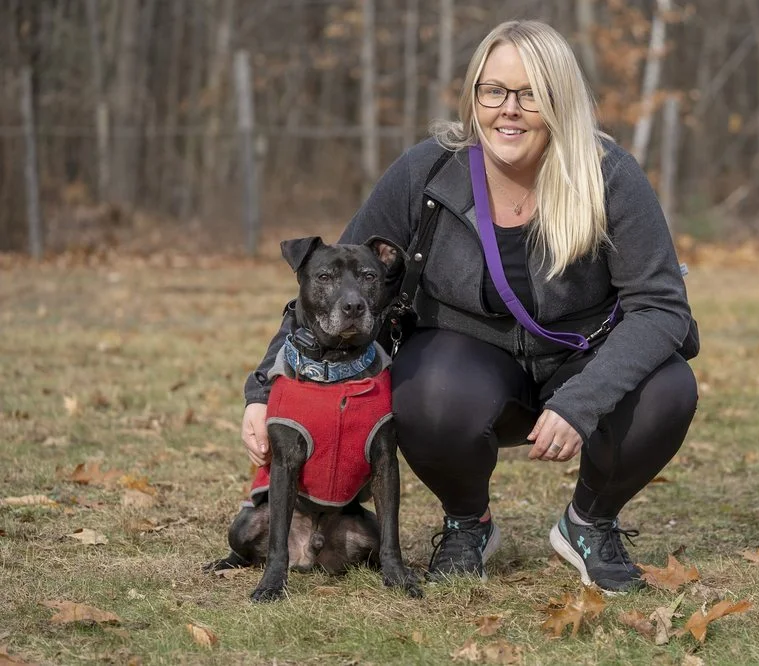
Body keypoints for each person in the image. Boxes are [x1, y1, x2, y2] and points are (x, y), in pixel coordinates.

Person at [241, 20, 698, 593]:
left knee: (668, 389)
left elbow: (661, 306)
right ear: (473, 95)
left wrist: (584, 400)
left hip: (585, 358)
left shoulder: (609, 175)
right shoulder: (429, 170)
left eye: (530, 94)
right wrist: (264, 390)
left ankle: (589, 523)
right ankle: (467, 524)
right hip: (466, 365)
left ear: (560, 99)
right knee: (422, 389)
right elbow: (332, 278)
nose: (509, 109)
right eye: (494, 90)